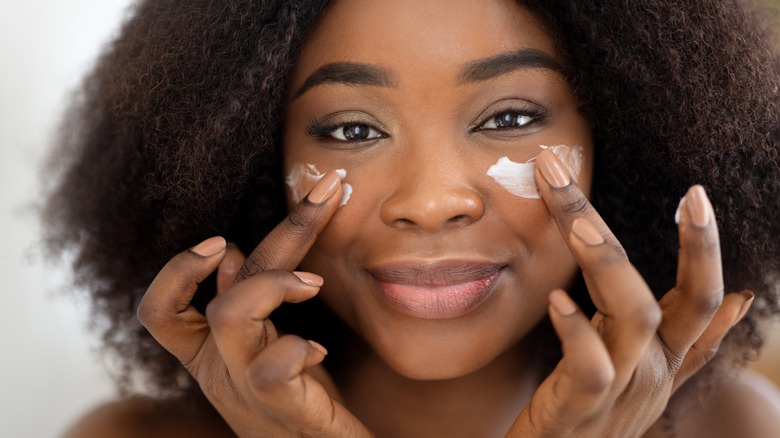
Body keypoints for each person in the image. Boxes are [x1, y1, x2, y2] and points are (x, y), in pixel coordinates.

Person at [45, 0, 780, 436]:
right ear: (247, 164)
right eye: (352, 131)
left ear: (619, 144)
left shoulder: (740, 428)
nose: (430, 203)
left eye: (511, 116)